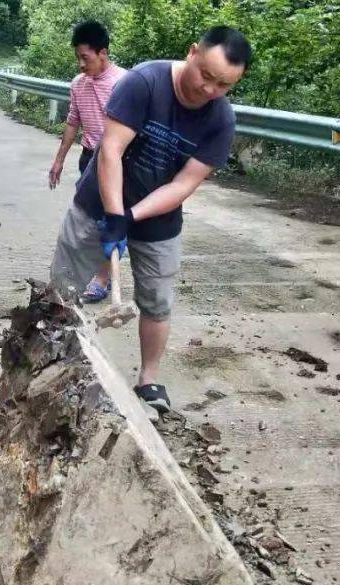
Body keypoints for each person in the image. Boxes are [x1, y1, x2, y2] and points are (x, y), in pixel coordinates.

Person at [50, 26, 251, 413]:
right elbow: (110, 150)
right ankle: (54, 360)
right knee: (61, 289)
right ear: (192, 52)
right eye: (206, 75)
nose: (209, 89)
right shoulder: (145, 82)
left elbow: (183, 184)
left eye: (224, 85)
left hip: (157, 218)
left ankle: (149, 379)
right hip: (96, 203)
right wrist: (112, 214)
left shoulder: (221, 121)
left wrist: (130, 217)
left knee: (157, 301)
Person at [47, 21, 126, 301]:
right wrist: (59, 161)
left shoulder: (125, 84)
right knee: (87, 222)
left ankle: (103, 278)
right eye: (77, 58)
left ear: (103, 53)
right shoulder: (78, 85)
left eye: (86, 57)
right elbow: (72, 123)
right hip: (89, 159)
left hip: (118, 162)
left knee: (110, 222)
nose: (81, 64)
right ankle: (80, 275)